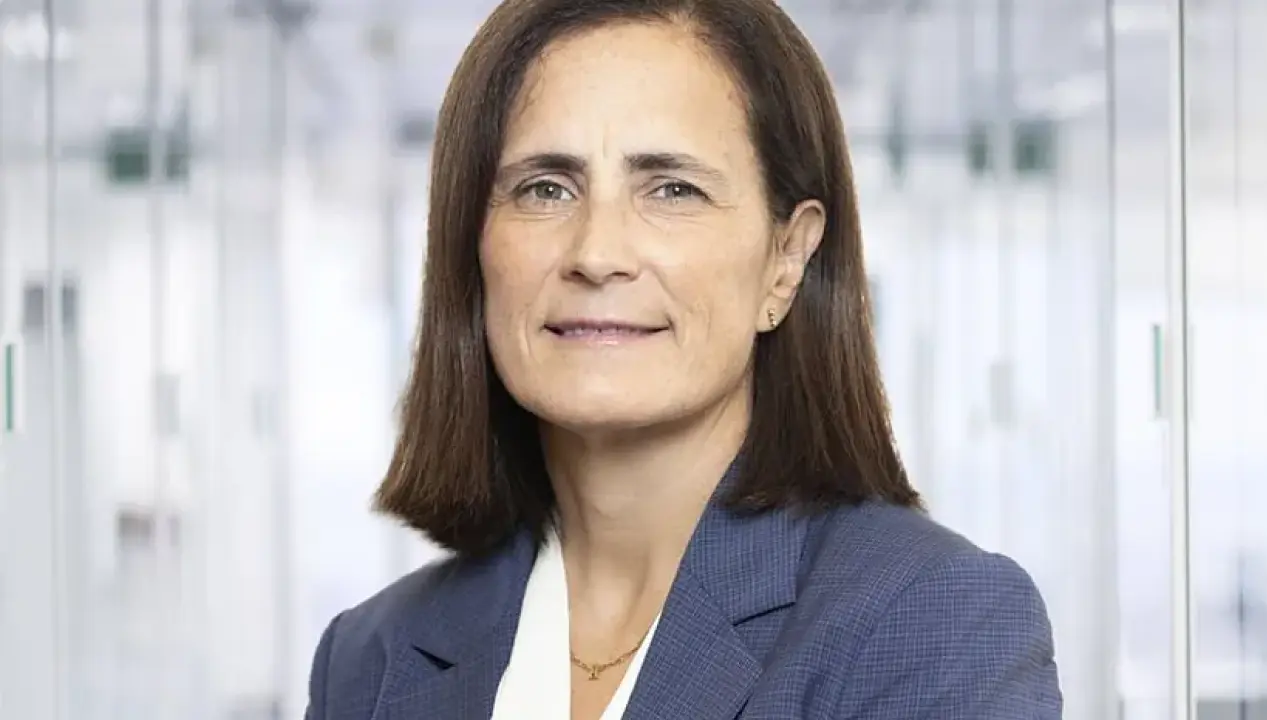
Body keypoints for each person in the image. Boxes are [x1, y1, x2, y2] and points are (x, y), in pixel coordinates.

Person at [304, 0, 1063, 718]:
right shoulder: (372, 657)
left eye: (672, 190)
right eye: (545, 189)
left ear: (787, 259)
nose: (597, 253)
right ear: (472, 245)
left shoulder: (930, 621)